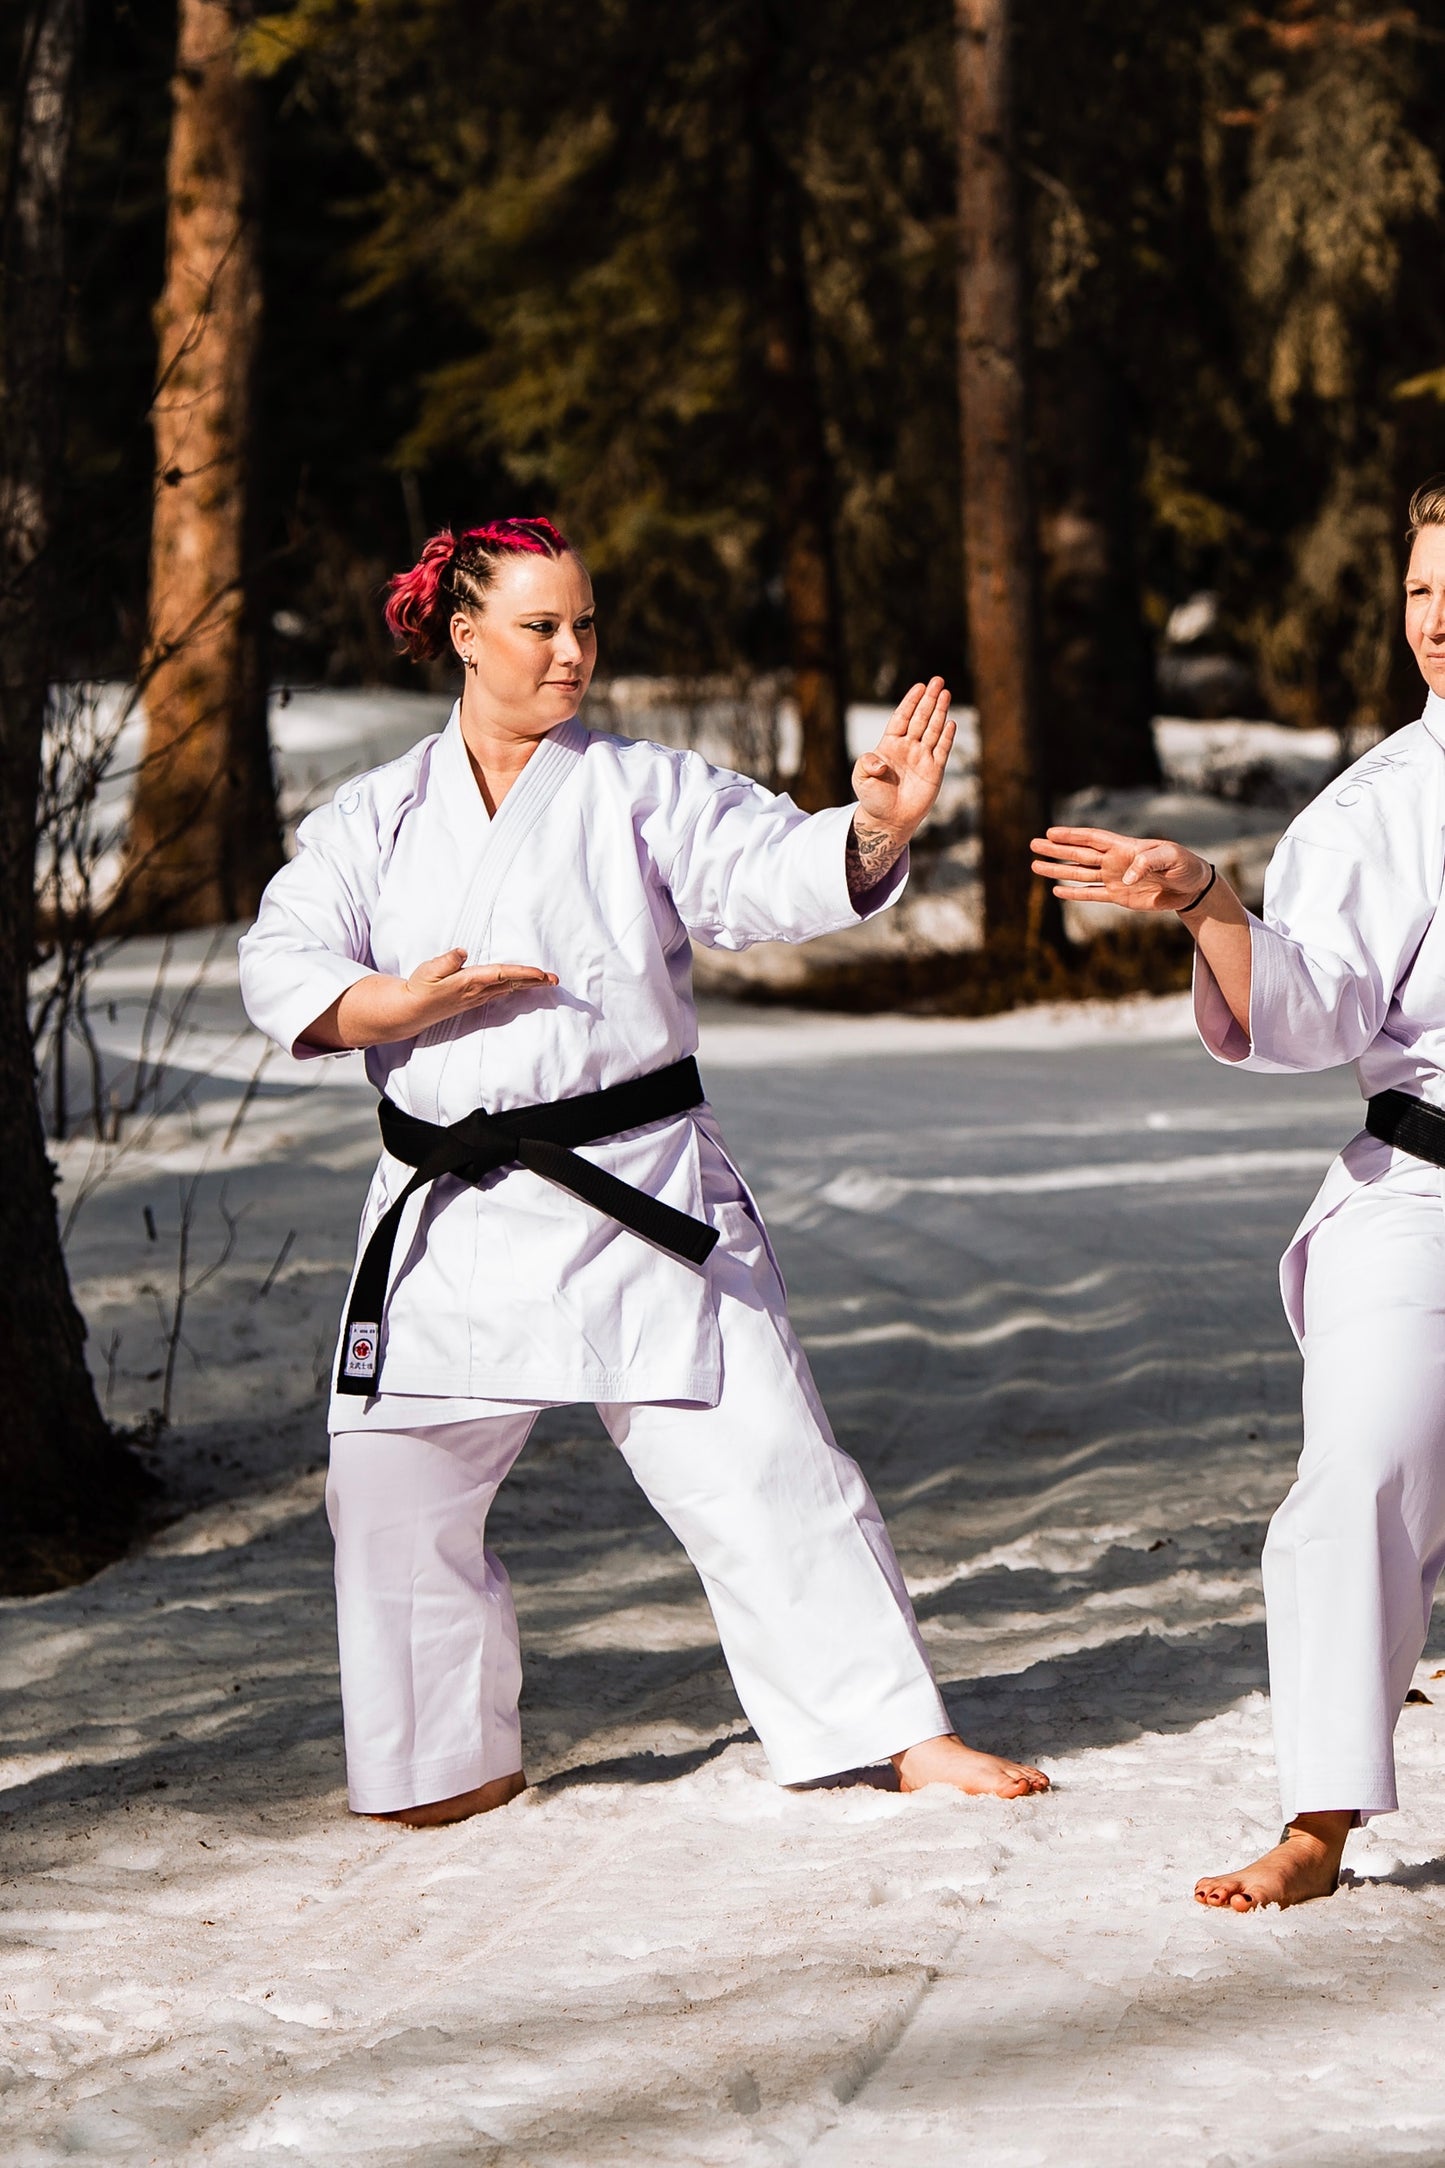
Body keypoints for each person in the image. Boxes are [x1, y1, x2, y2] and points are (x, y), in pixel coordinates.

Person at [240, 515, 1050, 1825]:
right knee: (389, 1493)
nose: (573, 654)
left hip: (637, 1192)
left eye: (586, 625)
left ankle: (899, 1732)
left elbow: (768, 868)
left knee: (765, 1467)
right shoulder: (376, 815)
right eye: (539, 627)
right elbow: (281, 958)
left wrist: (870, 832)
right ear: (461, 633)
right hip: (446, 1211)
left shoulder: (636, 786)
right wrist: (377, 1010)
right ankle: (440, 1763)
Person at [1029, 476, 1445, 1910]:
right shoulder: (1381, 810)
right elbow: (1318, 1008)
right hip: (1425, 1201)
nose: (1436, 623)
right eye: (1415, 593)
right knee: (1357, 1475)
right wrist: (1215, 905)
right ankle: (1317, 1822)